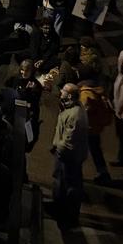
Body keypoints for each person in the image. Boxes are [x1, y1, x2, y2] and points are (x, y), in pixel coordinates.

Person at [50, 83, 88, 230]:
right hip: (67, 155)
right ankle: (61, 211)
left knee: (69, 187)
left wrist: (58, 149)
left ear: (70, 95)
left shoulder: (75, 114)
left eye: (64, 90)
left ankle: (67, 218)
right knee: (62, 184)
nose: (61, 92)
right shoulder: (70, 108)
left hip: (68, 157)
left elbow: (69, 139)